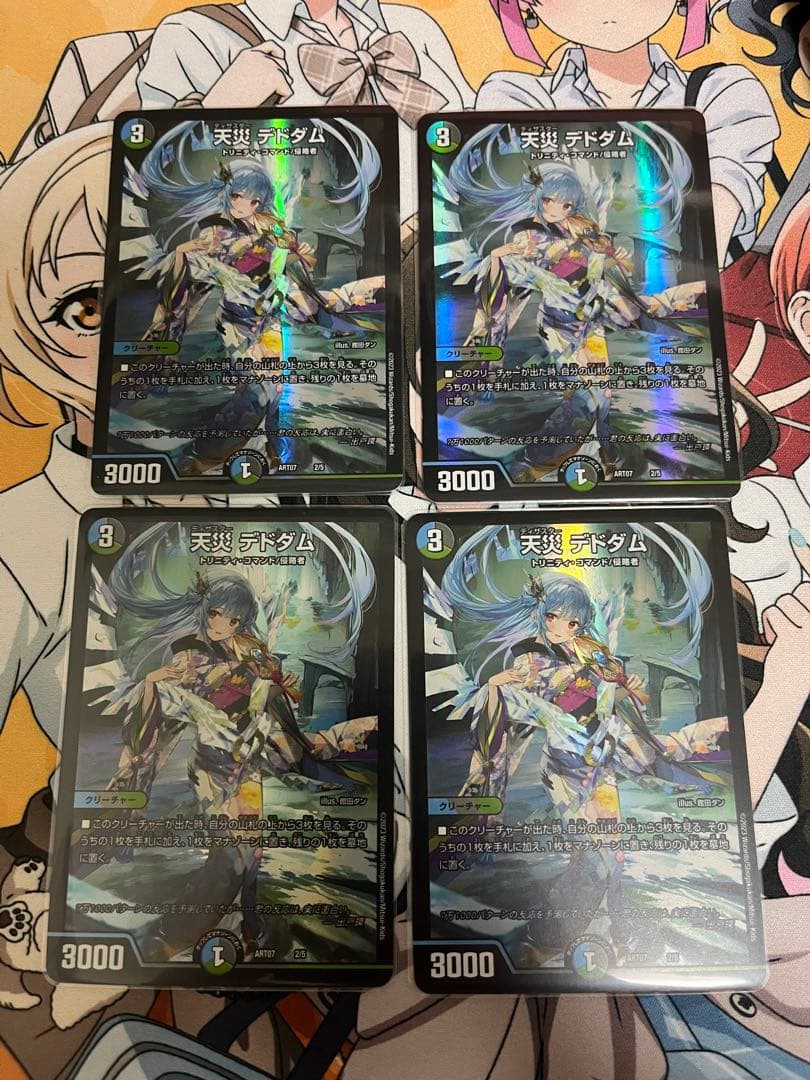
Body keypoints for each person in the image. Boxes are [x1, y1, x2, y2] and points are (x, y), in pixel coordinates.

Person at [481, 0, 780, 267]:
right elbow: (522, 223)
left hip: (683, 298)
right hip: (564, 294)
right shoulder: (515, 96)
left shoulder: (722, 93)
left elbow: (709, 236)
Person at [135, 0, 474, 217]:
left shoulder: (413, 25)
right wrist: (218, 107)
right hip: (284, 269)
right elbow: (151, 198)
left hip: (437, 275)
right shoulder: (197, 33)